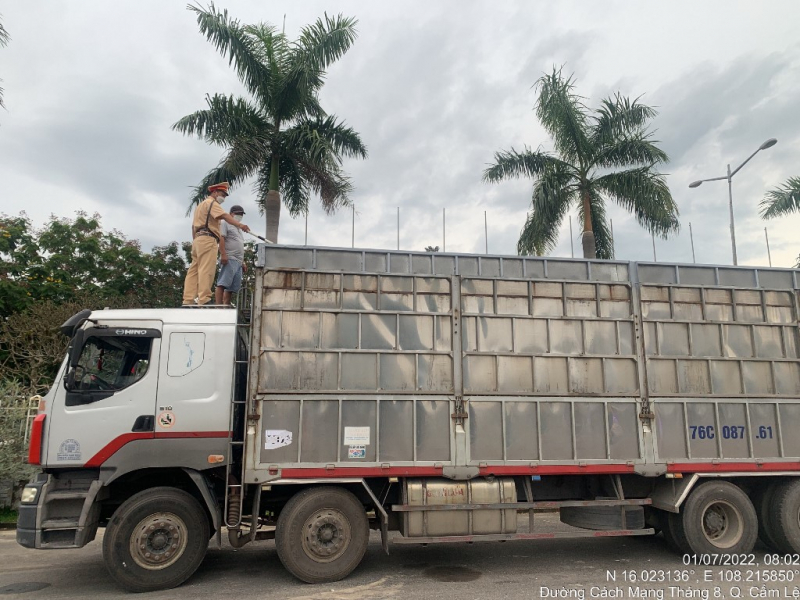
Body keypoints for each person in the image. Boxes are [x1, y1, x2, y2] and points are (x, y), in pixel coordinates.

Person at [182, 182, 250, 306]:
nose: (223, 197)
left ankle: (188, 300)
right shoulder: (212, 203)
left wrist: (196, 241)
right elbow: (224, 216)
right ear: (214, 192)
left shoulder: (201, 205)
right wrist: (240, 225)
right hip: (208, 238)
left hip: (198, 238)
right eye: (222, 194)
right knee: (206, 269)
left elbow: (193, 226)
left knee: (194, 270)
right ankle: (204, 299)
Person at [215, 204, 247, 305]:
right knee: (222, 284)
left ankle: (226, 307)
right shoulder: (225, 223)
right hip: (230, 257)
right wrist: (223, 254)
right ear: (231, 214)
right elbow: (221, 238)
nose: (240, 215)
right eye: (238, 214)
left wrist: (243, 262)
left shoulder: (238, 227)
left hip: (238, 261)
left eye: (241, 214)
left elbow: (239, 245)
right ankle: (219, 307)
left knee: (231, 288)